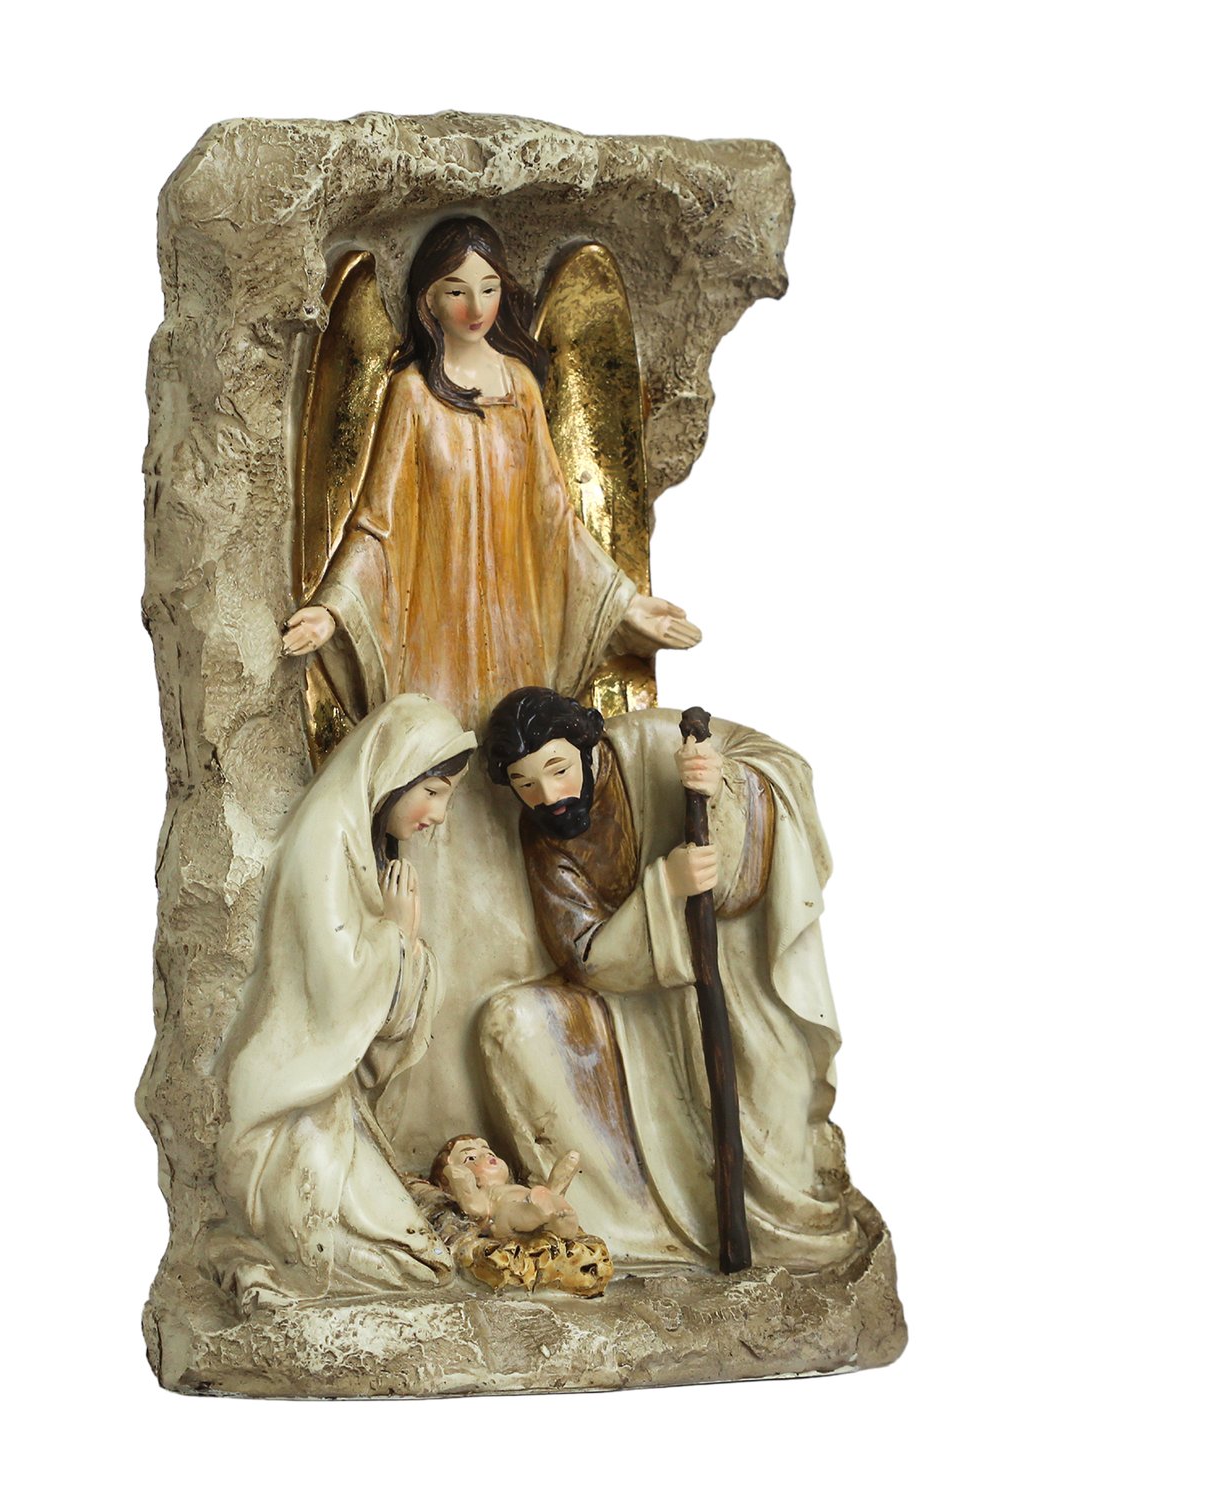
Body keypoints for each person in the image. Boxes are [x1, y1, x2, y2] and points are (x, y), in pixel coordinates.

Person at [478, 687, 863, 1272]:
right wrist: (666, 889)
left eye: (558, 770)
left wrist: (726, 784)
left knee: (769, 1086)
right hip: (636, 994)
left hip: (734, 961)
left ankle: (784, 1230)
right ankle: (640, 1226)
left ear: (586, 744)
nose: (549, 797)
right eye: (525, 784)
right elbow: (585, 955)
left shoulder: (654, 742)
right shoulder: (542, 835)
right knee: (518, 1024)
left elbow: (782, 767)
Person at [280, 215, 700, 731]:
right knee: (439, 753)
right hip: (436, 633)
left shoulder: (519, 387)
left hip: (515, 629)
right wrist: (333, 610)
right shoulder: (413, 393)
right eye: (457, 291)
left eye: (489, 288)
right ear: (429, 299)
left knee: (519, 752)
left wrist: (625, 605)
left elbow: (556, 517)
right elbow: (377, 523)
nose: (476, 308)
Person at [211, 694, 475, 1313]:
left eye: (447, 797)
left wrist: (404, 948)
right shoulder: (329, 832)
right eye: (432, 792)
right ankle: (253, 1256)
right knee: (412, 1265)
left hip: (332, 1100)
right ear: (393, 771)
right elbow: (336, 991)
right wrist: (397, 938)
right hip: (290, 1106)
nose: (439, 814)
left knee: (423, 1259)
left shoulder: (363, 838)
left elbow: (381, 1020)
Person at [429, 1134, 585, 1241]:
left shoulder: (516, 1187)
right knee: (508, 1212)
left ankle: (560, 1216)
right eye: (470, 1158)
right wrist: (459, 1179)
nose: (486, 1155)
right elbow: (473, 1206)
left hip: (538, 1201)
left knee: (548, 1192)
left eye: (489, 1152)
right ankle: (546, 1215)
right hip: (507, 1222)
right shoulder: (485, 1194)